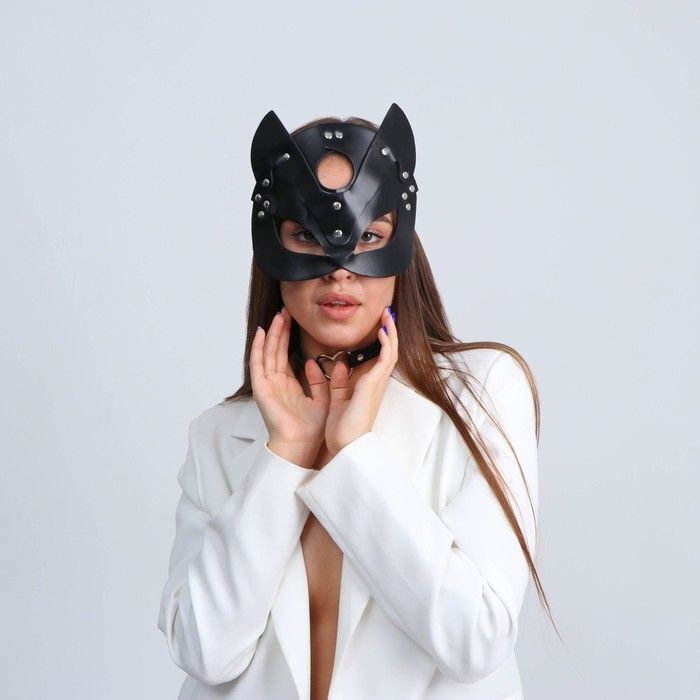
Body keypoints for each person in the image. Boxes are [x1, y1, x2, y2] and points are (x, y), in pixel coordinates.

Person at [157, 104, 554, 700]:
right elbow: (203, 652)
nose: (339, 272)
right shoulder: (219, 434)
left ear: (401, 240)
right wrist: (284, 455)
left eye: (368, 236)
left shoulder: (484, 394)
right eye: (306, 236)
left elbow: (475, 639)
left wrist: (353, 453)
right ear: (271, 242)